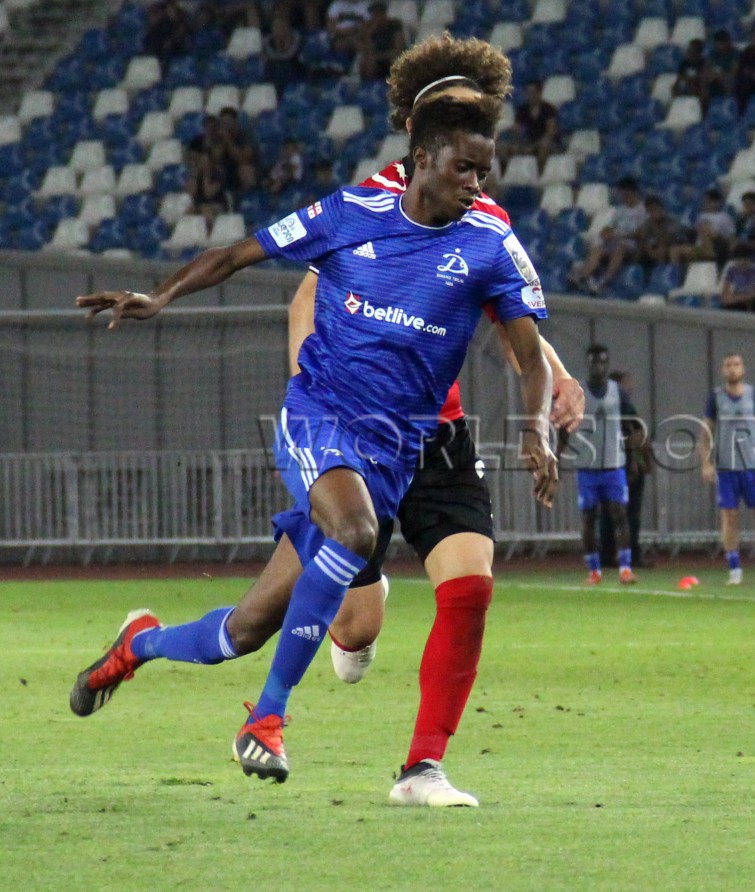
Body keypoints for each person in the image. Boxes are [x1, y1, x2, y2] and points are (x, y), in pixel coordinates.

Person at [71, 74, 560, 798]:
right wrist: (162, 294)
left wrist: (537, 429)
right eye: (464, 168)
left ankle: (138, 644)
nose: (475, 184)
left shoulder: (491, 244)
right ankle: (266, 720)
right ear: (423, 158)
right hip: (320, 414)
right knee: (356, 532)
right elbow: (239, 253)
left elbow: (530, 356)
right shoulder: (352, 211)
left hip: (398, 447)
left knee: (243, 630)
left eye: (484, 171)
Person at [701, 353, 755, 587]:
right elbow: (706, 433)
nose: (732, 368)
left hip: (752, 466)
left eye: (736, 364)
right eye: (728, 365)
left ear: (743, 368)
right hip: (726, 468)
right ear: (723, 370)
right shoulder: (716, 398)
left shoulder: (753, 395)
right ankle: (734, 570)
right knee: (729, 517)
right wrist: (706, 463)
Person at [560, 345, 640, 585]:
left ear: (608, 364)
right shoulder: (578, 393)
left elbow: (630, 426)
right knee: (588, 517)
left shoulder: (618, 392)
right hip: (587, 465)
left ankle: (625, 568)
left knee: (620, 514)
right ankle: (594, 570)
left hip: (614, 465)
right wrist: (556, 455)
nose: (599, 366)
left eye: (603, 362)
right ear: (588, 363)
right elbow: (565, 427)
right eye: (595, 362)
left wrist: (633, 459)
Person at [598, 369, 652, 569]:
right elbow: (638, 436)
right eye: (627, 384)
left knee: (608, 513)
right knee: (629, 514)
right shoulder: (625, 407)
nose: (630, 388)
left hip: (607, 465)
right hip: (625, 466)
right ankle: (631, 555)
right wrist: (642, 461)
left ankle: (607, 555)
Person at [571, 176, 647, 295]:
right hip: (615, 239)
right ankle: (583, 275)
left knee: (620, 247)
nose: (621, 196)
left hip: (631, 244)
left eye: (624, 193)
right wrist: (606, 232)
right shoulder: (620, 209)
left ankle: (603, 281)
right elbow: (612, 226)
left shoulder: (643, 210)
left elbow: (641, 233)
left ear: (631, 192)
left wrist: (621, 236)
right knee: (598, 245)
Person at [669, 187, 735, 266]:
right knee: (674, 250)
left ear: (716, 202)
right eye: (704, 201)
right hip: (699, 248)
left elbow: (730, 237)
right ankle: (676, 272)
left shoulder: (724, 217)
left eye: (707, 201)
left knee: (705, 228)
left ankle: (710, 254)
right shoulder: (700, 216)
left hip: (716, 247)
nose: (704, 203)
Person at [506, 80, 560, 170]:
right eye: (528, 93)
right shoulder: (522, 110)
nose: (530, 95)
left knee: (544, 146)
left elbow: (550, 132)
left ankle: (539, 172)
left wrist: (534, 146)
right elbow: (516, 130)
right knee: (509, 148)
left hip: (546, 142)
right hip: (528, 142)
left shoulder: (548, 109)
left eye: (533, 92)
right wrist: (519, 144)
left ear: (539, 93)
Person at [357, 0, 407, 81]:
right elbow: (366, 50)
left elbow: (399, 47)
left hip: (390, 54)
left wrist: (381, 56)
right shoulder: (369, 27)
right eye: (373, 14)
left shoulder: (394, 25)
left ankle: (396, 83)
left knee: (394, 59)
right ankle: (369, 85)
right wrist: (368, 35)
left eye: (378, 14)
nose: (376, 17)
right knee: (366, 62)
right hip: (377, 57)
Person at [718, 243, 755, 313]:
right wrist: (734, 299)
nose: (742, 263)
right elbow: (725, 293)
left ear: (751, 259)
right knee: (725, 305)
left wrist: (744, 297)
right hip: (738, 299)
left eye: (746, 260)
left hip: (752, 299)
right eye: (740, 259)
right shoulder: (732, 270)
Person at [673, 37, 712, 112]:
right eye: (688, 50)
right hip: (687, 87)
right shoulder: (684, 64)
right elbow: (679, 79)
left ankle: (699, 111)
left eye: (691, 50)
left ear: (698, 52)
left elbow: (704, 81)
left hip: (699, 89)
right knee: (676, 88)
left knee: (704, 90)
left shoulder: (704, 63)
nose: (688, 52)